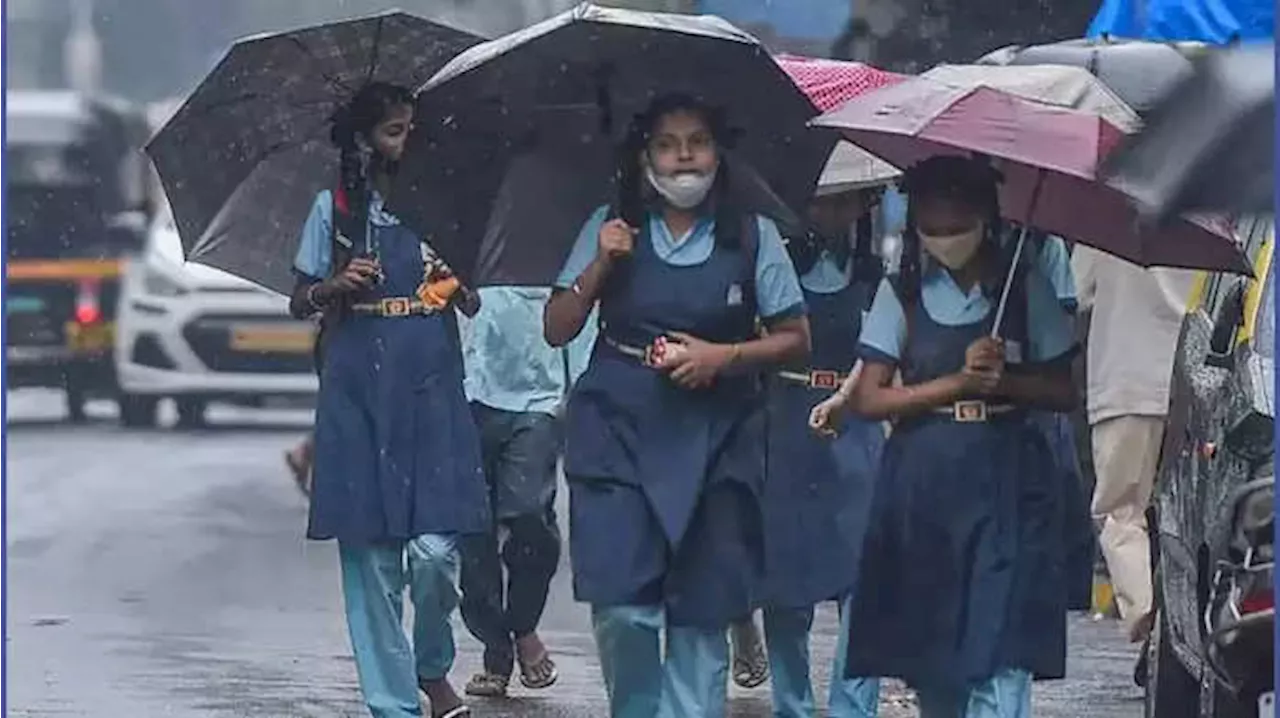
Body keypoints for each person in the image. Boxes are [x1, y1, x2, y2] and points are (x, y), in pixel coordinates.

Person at [543, 93, 811, 718]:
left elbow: (796, 339)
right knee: (624, 610)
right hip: (618, 428)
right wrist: (601, 266)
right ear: (644, 158)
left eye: (698, 140)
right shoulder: (610, 226)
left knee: (701, 614)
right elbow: (557, 327)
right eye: (667, 143)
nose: (684, 155)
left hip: (720, 435)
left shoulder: (752, 235)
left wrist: (723, 357)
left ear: (719, 152)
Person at [812, 155, 1078, 717]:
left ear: (986, 215)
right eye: (932, 226)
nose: (946, 236)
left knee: (1000, 646)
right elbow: (869, 397)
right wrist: (955, 384)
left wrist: (1006, 379)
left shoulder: (1024, 288)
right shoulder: (902, 295)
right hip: (924, 487)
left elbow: (1065, 390)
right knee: (933, 658)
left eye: (958, 223)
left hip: (1008, 483)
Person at [287, 82, 488, 718]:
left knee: (435, 554)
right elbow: (299, 298)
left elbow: (477, 296)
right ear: (362, 141)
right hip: (357, 387)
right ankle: (392, 703)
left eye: (411, 130)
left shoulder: (445, 205)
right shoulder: (334, 209)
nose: (406, 143)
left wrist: (457, 286)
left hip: (430, 383)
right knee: (370, 562)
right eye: (394, 131)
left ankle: (431, 663)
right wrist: (335, 284)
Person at [728, 169, 889, 717]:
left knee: (863, 577)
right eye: (825, 201)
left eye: (849, 202)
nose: (836, 213)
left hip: (857, 426)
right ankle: (793, 703)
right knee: (786, 581)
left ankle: (853, 706)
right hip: (784, 424)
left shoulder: (876, 270)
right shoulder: (773, 266)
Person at [455, 284, 597, 698]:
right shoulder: (471, 240)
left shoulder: (563, 241)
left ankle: (522, 623)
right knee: (473, 531)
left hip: (539, 401)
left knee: (529, 515)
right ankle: (495, 648)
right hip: (470, 394)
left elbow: (581, 321)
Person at [1071, 245, 1195, 645]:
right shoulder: (1214, 211)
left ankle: (1148, 620)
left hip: (1127, 379)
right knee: (1190, 513)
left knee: (1120, 511)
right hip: (1195, 379)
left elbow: (1077, 291)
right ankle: (1184, 622)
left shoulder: (1108, 210)